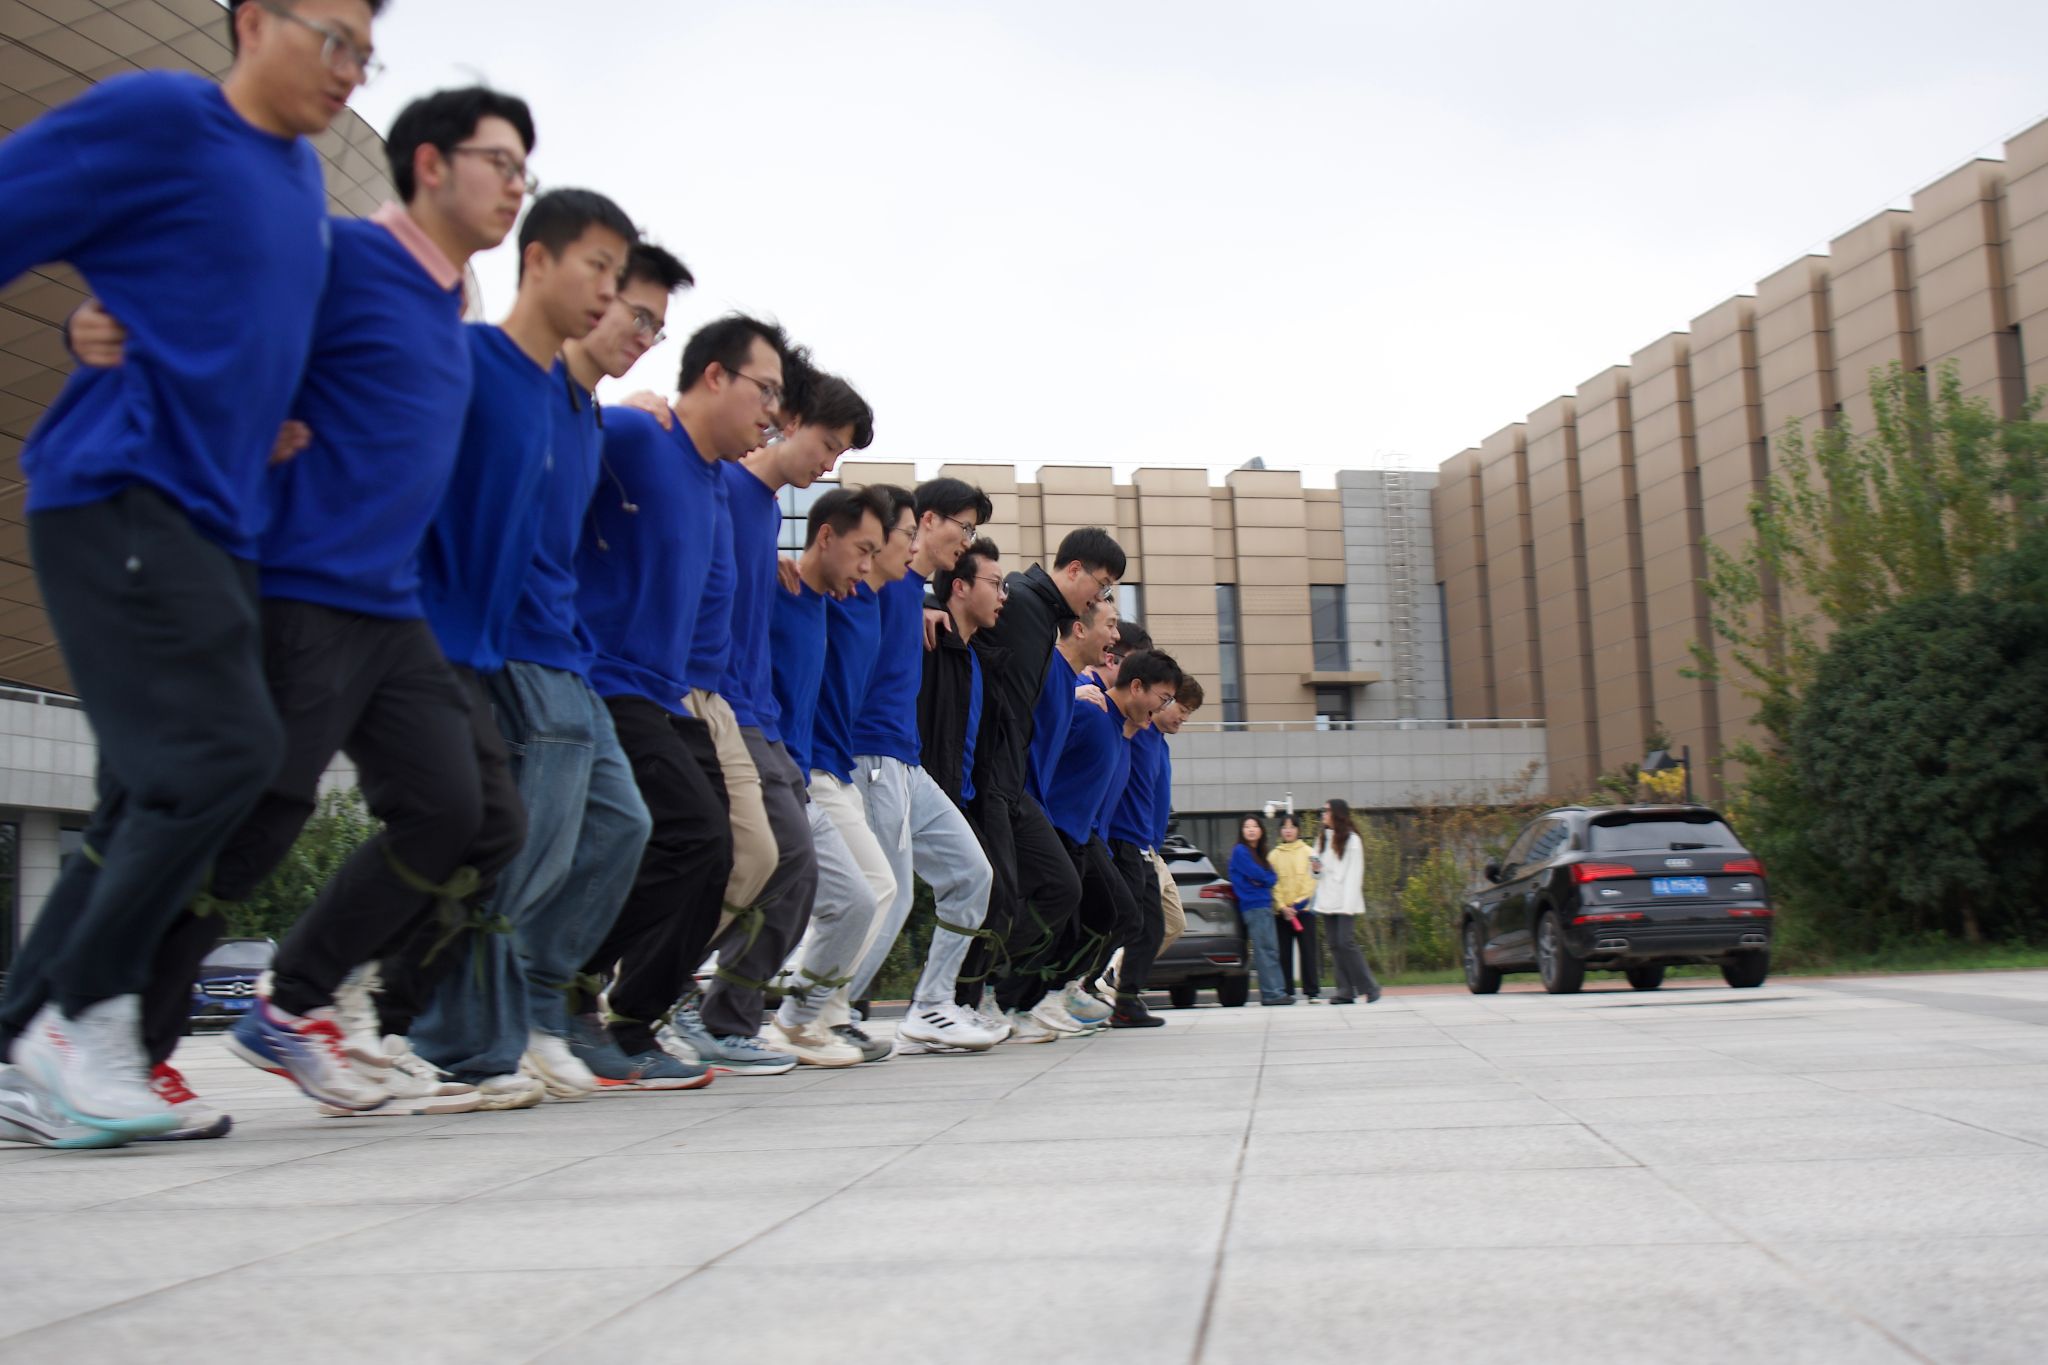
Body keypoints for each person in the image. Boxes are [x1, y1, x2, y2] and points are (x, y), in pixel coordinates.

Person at [0, 0, 386, 1145]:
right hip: (118, 488)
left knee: (143, 794)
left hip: (217, 521)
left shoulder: (297, 183)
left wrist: (273, 420)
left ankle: (27, 1044)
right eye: (333, 39)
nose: (349, 71)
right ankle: (81, 1021)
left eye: (366, 55)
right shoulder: (163, 117)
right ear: (255, 19)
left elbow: (224, 327)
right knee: (223, 755)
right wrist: (80, 326)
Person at [231, 184, 643, 1114]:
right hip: (373, 615)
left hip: (459, 646)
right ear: (535, 260)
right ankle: (101, 1007)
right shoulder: (467, 358)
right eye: (602, 274)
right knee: (252, 808)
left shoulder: (561, 403)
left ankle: (321, 1004)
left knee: (483, 826)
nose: (613, 301)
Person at [407, 241, 695, 1098]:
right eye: (633, 311)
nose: (639, 333)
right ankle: (454, 1032)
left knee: (621, 827)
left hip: (565, 647)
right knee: (522, 845)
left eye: (654, 326)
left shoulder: (589, 414)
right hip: (509, 644)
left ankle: (532, 1004)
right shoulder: (509, 377)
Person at [563, 314, 790, 1078]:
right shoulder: (637, 434)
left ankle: (631, 1018)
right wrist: (613, 408)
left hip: (676, 693)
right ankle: (565, 982)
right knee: (691, 839)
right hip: (609, 677)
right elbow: (550, 471)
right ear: (716, 375)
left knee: (729, 855)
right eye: (766, 391)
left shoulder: (714, 481)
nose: (772, 413)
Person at [679, 366, 876, 1070]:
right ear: (789, 420)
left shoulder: (765, 513)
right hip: (714, 703)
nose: (829, 463)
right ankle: (663, 993)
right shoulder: (724, 486)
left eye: (840, 454)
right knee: (778, 857)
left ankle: (717, 1014)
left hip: (760, 719)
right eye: (827, 443)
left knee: (792, 871)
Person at [840, 480, 1005, 1053]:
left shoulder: (911, 593)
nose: (968, 540)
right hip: (871, 756)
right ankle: (825, 1009)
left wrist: (927, 606)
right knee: (887, 894)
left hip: (907, 764)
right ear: (927, 521)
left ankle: (932, 1006)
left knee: (972, 875)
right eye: (965, 526)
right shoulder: (880, 579)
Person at [969, 530, 1125, 1039]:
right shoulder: (1020, 599)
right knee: (1012, 894)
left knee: (1058, 893)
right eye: (1102, 586)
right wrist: (927, 605)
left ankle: (1000, 994)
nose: (1100, 599)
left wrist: (1077, 693)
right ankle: (977, 991)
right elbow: (962, 614)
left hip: (1015, 787)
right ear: (1075, 569)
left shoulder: (1044, 630)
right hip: (993, 780)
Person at [765, 484, 897, 1065]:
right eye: (866, 549)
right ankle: (800, 1012)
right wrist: (764, 559)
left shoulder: (837, 598)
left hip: (813, 770)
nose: (868, 565)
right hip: (789, 766)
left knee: (861, 895)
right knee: (862, 891)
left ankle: (809, 1015)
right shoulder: (787, 586)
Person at [923, 537, 1019, 1044]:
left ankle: (951, 1004)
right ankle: (935, 1006)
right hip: (917, 789)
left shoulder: (980, 657)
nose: (1003, 596)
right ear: (959, 588)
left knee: (991, 891)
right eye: (995, 584)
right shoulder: (930, 640)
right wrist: (922, 604)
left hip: (967, 799)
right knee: (875, 894)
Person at [1149, 678, 1203, 958]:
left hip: (1153, 849)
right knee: (1136, 923)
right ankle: (1105, 977)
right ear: (1164, 700)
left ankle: (1114, 975)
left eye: (1189, 713)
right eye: (1182, 709)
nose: (1184, 718)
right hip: (1135, 846)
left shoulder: (1161, 745)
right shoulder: (1138, 734)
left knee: (1174, 924)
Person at [1314, 798, 1382, 1004]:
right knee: (1334, 944)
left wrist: (1348, 906)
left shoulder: (1352, 840)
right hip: (1327, 899)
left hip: (1345, 901)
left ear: (1337, 813)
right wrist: (1315, 869)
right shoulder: (1322, 839)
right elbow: (1317, 873)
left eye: (1327, 810)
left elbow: (1354, 875)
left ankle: (1370, 986)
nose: (1323, 814)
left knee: (1346, 942)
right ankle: (1344, 991)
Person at [1228, 816, 1291, 1006]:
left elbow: (1272, 877)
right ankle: (1271, 994)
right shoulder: (1240, 851)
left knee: (1270, 949)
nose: (1251, 829)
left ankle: (1277, 991)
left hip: (1263, 905)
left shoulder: (1260, 853)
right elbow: (1256, 874)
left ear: (1261, 830)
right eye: (1247, 826)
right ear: (1242, 831)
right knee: (1265, 950)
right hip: (1253, 906)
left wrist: (1263, 879)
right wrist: (1263, 878)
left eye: (1254, 826)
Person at [1271, 815, 1320, 1001]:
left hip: (1304, 911)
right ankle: (1287, 992)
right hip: (1282, 913)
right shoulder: (1273, 855)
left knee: (1308, 951)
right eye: (1284, 827)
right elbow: (1273, 884)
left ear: (1298, 830)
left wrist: (1297, 905)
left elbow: (1313, 880)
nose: (1288, 830)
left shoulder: (1311, 852)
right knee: (1284, 953)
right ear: (1280, 831)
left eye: (1292, 827)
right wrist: (1282, 906)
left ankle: (1312, 992)